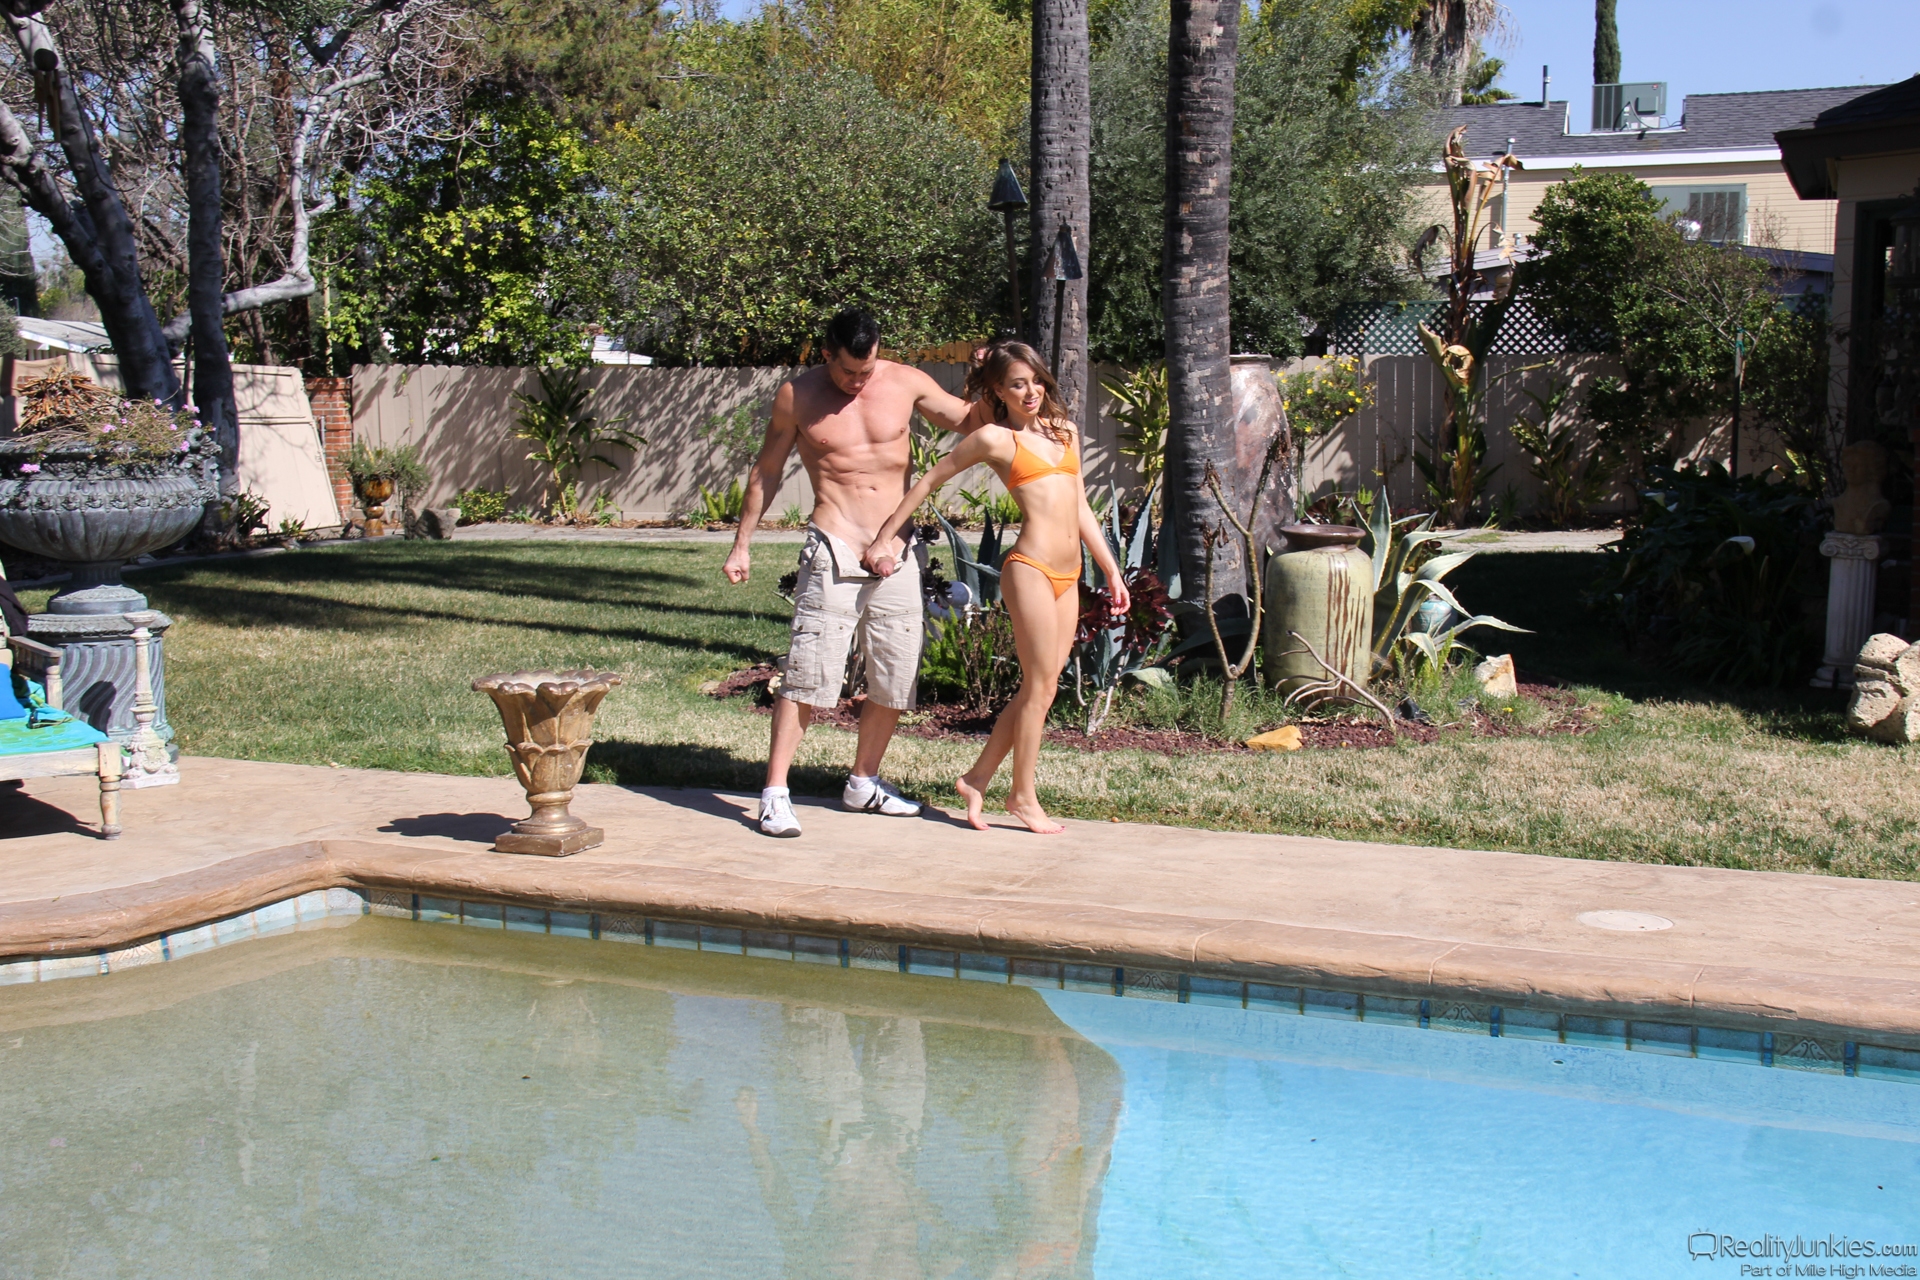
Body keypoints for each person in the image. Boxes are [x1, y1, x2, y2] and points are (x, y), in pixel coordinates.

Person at [723, 308, 993, 838]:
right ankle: (775, 794)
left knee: (895, 675)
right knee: (807, 674)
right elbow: (767, 470)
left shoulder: (906, 381)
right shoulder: (798, 396)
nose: (857, 381)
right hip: (835, 544)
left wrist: (988, 376)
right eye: (847, 370)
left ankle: (863, 782)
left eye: (865, 370)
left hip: (897, 548)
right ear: (827, 354)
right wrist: (742, 545)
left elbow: (969, 419)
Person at [863, 341, 1127, 835]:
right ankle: (1022, 795)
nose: (1031, 392)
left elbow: (1080, 506)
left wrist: (1109, 568)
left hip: (1069, 574)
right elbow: (928, 482)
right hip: (1030, 569)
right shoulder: (994, 439)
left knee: (1041, 688)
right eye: (1017, 385)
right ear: (998, 391)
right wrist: (884, 538)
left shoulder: (1064, 431)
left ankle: (977, 779)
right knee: (1040, 687)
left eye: (1036, 381)